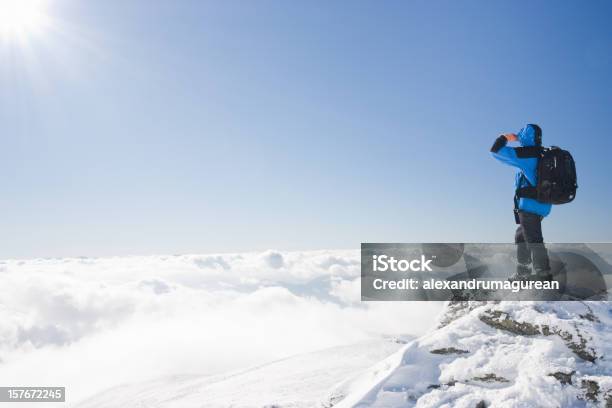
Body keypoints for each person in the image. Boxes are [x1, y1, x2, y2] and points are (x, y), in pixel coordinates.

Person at [490, 124, 552, 281]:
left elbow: (496, 151)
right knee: (521, 235)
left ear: (525, 136)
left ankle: (544, 278)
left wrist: (505, 138)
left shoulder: (528, 154)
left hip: (531, 205)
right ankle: (523, 272)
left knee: (533, 239)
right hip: (541, 204)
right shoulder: (542, 154)